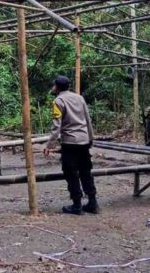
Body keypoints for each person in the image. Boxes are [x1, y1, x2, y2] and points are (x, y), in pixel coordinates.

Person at [43, 76, 98, 215]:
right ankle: (92, 202)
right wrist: (91, 138)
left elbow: (56, 126)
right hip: (83, 141)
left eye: (53, 85)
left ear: (56, 87)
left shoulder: (58, 101)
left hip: (70, 143)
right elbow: (87, 119)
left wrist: (49, 145)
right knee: (86, 171)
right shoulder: (79, 98)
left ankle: (77, 205)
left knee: (71, 173)